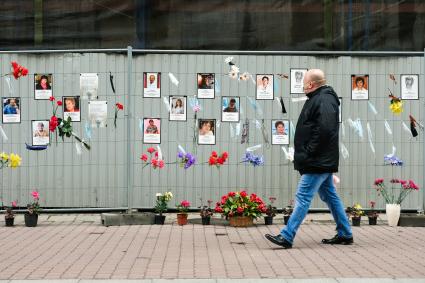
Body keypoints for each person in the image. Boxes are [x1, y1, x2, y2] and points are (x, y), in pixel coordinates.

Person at [265, 69, 352, 249]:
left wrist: (308, 152)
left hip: (317, 161)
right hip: (321, 159)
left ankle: (287, 236)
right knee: (330, 195)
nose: (302, 86)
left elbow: (325, 130)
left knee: (303, 196)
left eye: (303, 82)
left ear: (311, 84)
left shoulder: (323, 99)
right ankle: (345, 233)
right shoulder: (320, 98)